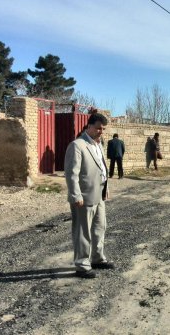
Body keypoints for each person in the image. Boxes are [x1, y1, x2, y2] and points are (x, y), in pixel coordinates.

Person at [64, 113, 115, 279]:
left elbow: (101, 169)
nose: (101, 131)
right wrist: (75, 195)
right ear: (89, 126)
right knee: (82, 232)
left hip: (98, 195)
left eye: (103, 129)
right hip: (83, 197)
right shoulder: (77, 145)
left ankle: (97, 258)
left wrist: (105, 188)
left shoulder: (98, 145)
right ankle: (82, 265)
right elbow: (72, 173)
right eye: (98, 128)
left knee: (100, 227)